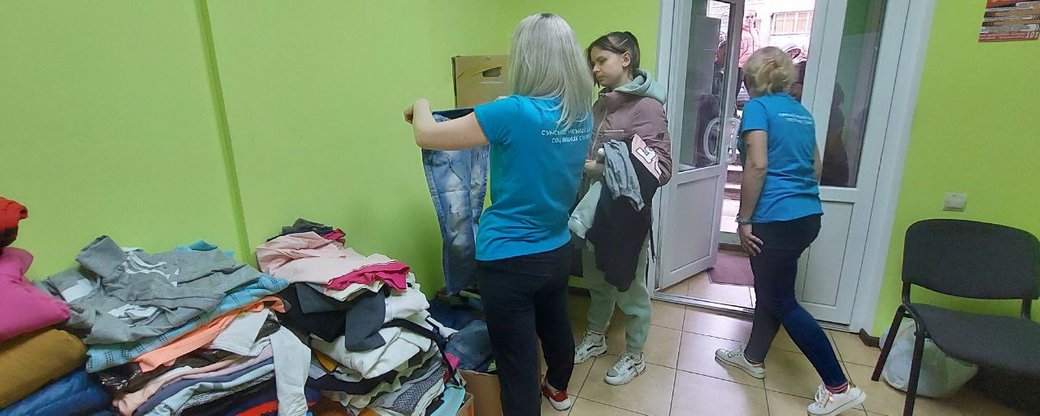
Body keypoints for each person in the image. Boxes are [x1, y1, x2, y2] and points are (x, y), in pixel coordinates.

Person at [404, 13, 593, 415]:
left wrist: (421, 105)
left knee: (517, 363)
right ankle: (558, 388)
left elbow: (426, 134)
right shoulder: (580, 113)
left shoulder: (512, 112)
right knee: (555, 323)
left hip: (509, 260)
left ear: (527, 59)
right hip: (557, 249)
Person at [713, 46, 867, 416]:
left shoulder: (758, 108)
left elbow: (757, 165)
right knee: (772, 291)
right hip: (807, 216)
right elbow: (815, 166)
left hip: (775, 219)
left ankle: (838, 386)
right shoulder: (802, 112)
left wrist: (744, 220)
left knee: (782, 300)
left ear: (751, 79)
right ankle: (753, 357)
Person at [572, 31, 671, 386]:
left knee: (629, 287)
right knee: (596, 280)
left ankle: (635, 354)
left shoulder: (647, 107)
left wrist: (597, 168)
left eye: (602, 61)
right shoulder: (601, 106)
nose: (595, 69)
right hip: (594, 211)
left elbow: (661, 169)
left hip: (627, 216)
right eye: (593, 63)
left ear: (626, 58)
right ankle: (596, 337)